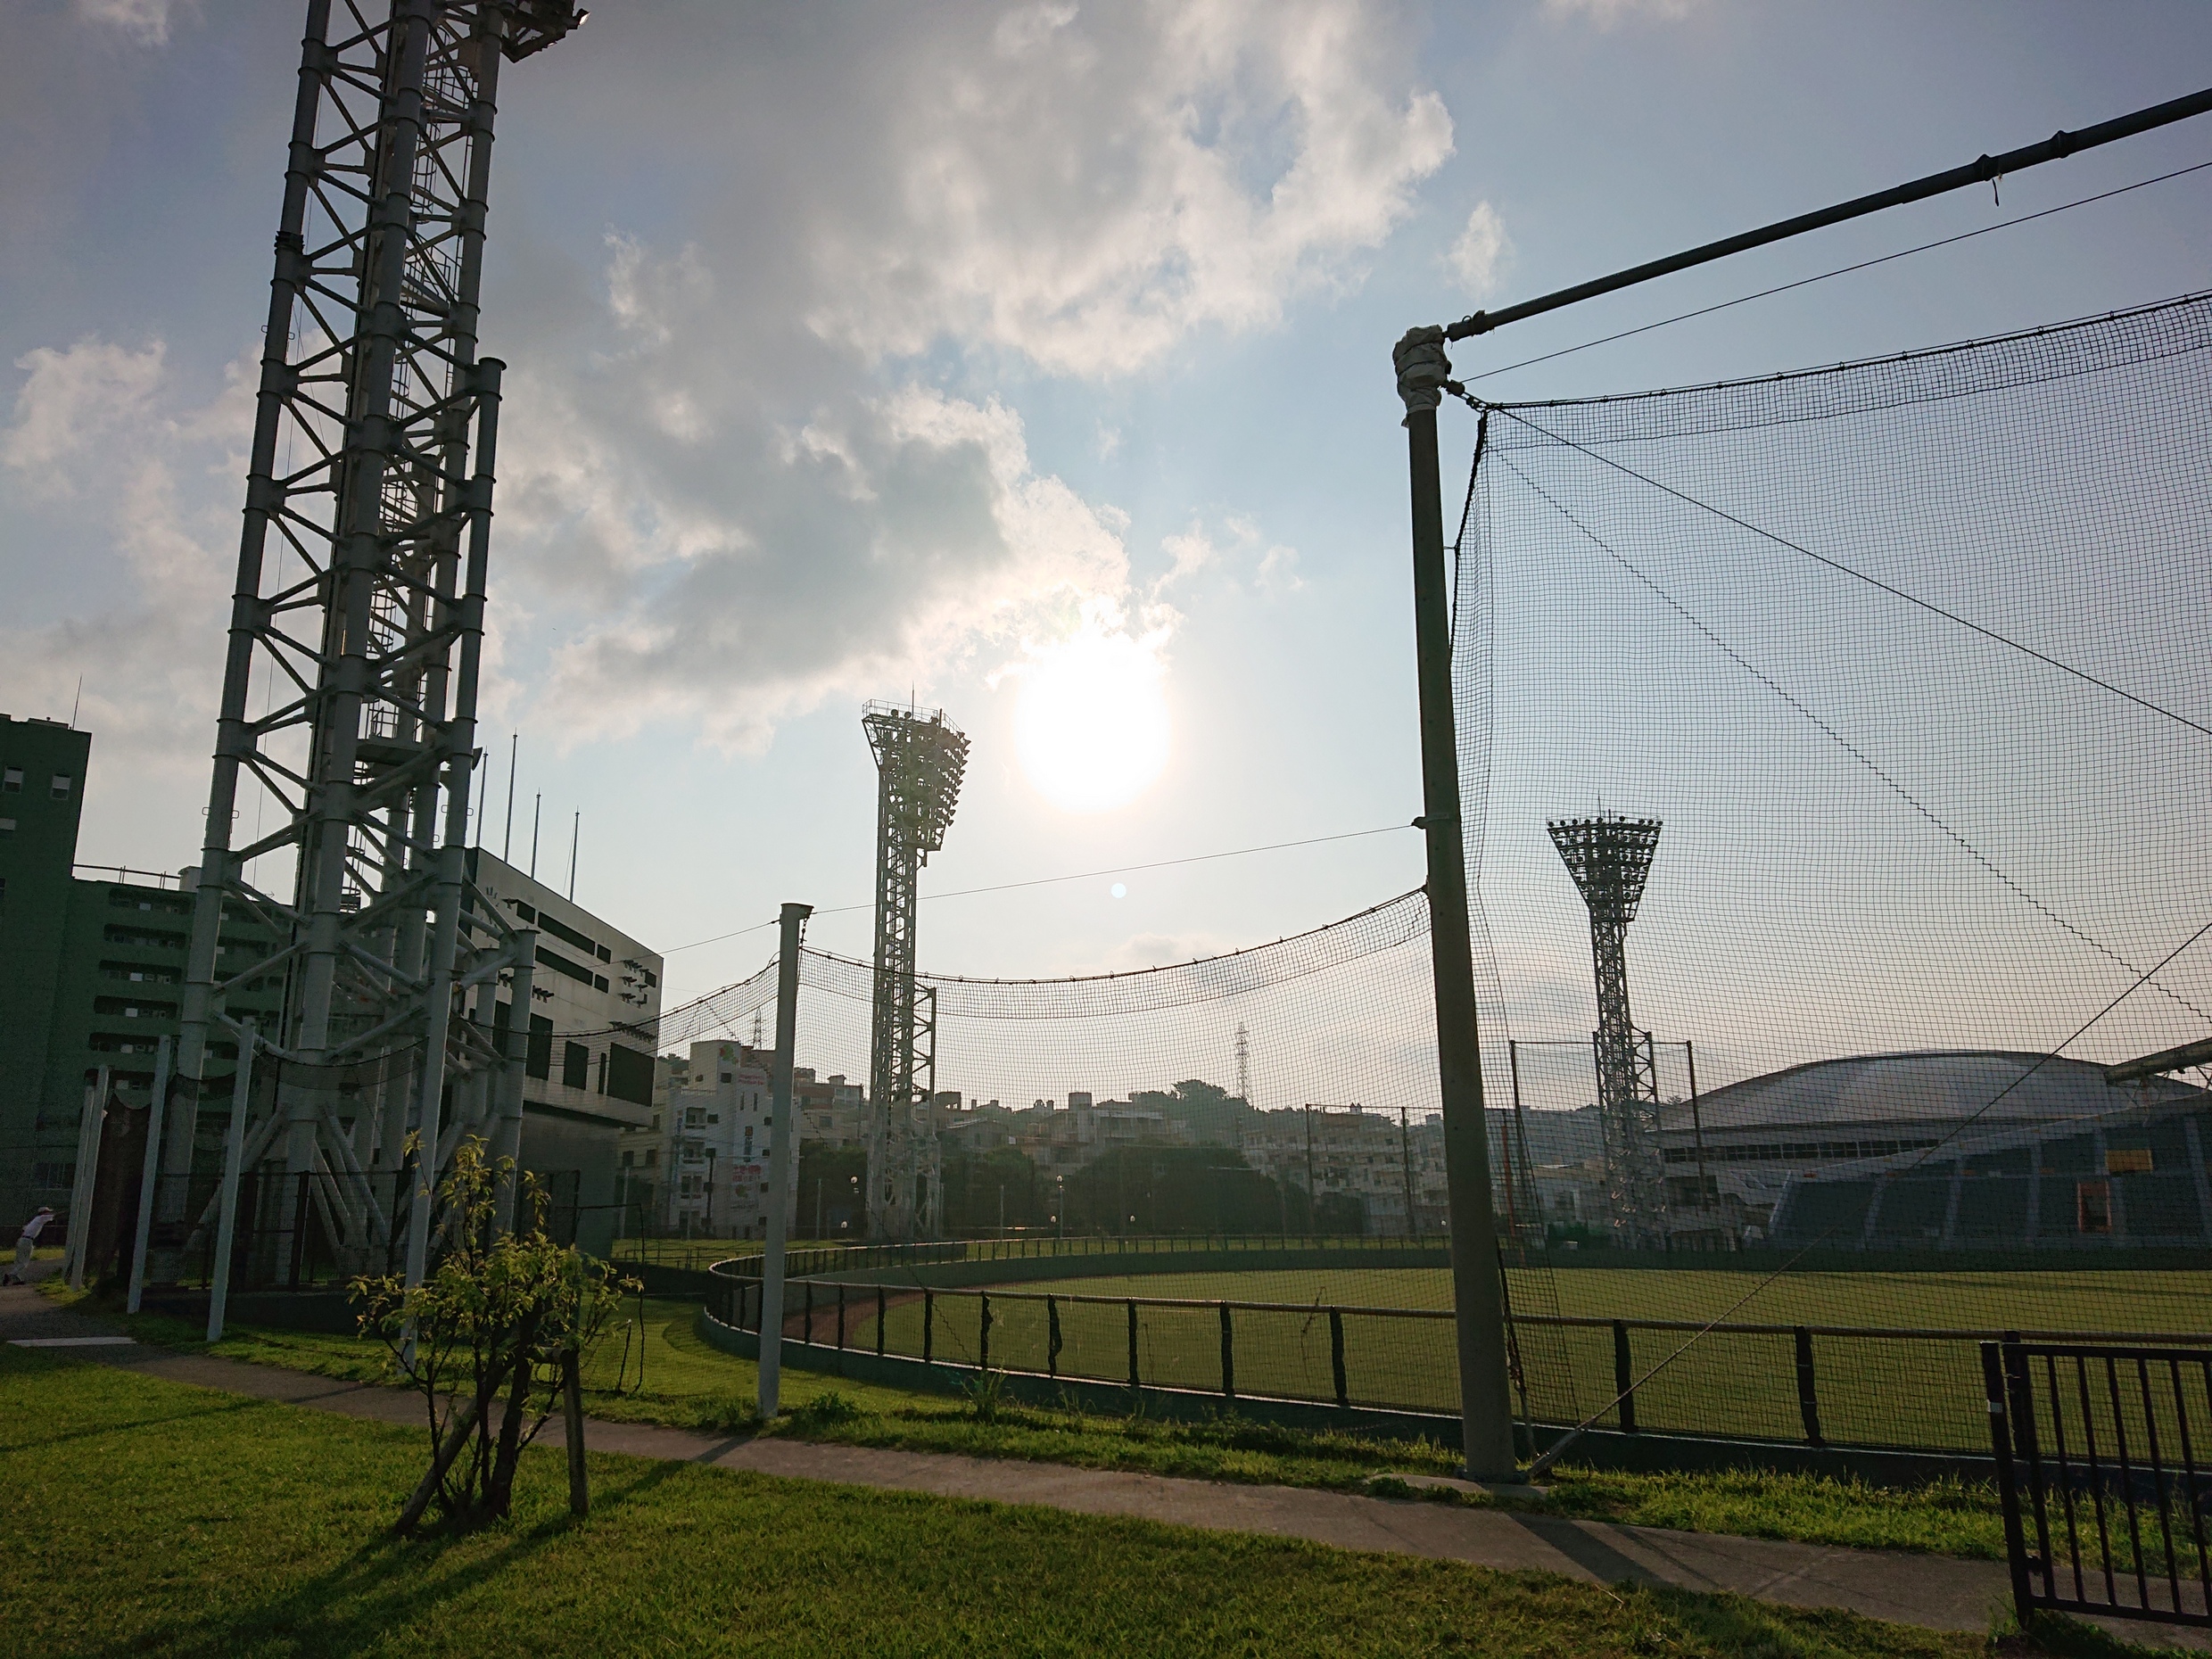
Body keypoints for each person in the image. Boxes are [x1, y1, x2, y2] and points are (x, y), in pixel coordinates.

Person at [5, 1207, 55, 1286]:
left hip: (22, 1240)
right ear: (43, 1212)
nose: (49, 1213)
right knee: (24, 1262)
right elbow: (55, 1216)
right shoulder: (40, 1218)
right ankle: (11, 1275)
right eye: (47, 1212)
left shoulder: (35, 1220)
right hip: (27, 1241)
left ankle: (17, 1279)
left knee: (19, 1261)